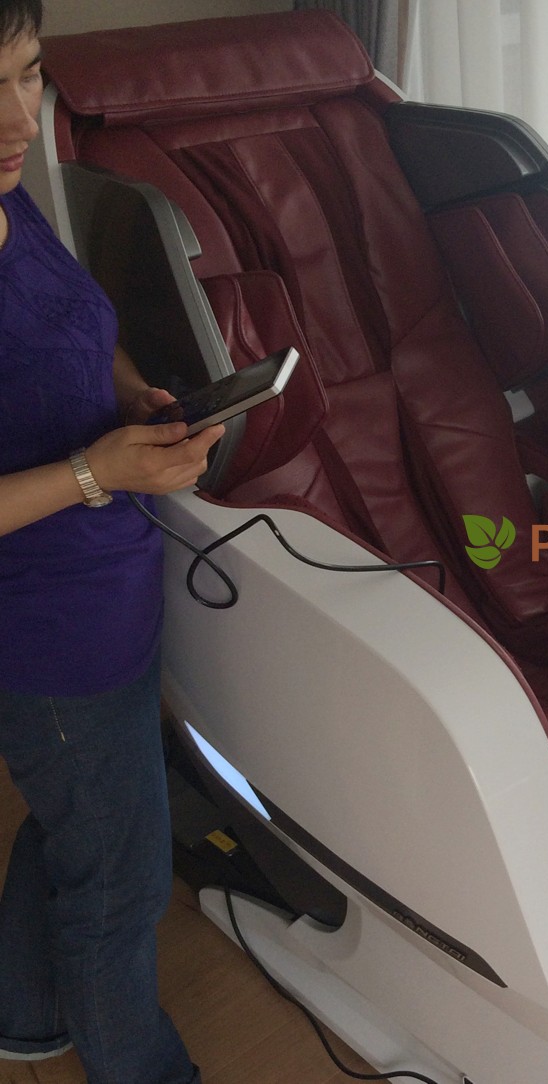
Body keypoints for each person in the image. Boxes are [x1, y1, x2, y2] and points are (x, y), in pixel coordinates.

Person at [0, 2, 224, 1081]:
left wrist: (134, 393)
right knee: (121, 888)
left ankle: (24, 1007)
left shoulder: (9, 199)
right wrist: (99, 473)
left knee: (78, 820)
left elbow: (81, 317)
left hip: (105, 587)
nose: (17, 119)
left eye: (27, 74)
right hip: (47, 632)